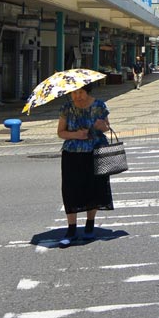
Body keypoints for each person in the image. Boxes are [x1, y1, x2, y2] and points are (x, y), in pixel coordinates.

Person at [56, 82, 113, 248]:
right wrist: (76, 135)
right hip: (72, 154)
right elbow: (60, 132)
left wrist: (101, 126)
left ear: (87, 91)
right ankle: (71, 229)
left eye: (80, 92)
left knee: (94, 187)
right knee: (70, 189)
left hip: (95, 151)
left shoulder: (99, 106)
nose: (77, 96)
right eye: (73, 93)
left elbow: (107, 127)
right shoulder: (66, 108)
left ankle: (90, 224)